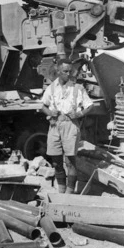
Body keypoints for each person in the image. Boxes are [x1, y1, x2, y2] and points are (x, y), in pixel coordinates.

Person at [41, 58, 94, 194]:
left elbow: (90, 105)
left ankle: (69, 194)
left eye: (70, 71)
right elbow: (43, 106)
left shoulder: (77, 88)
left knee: (70, 162)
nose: (68, 74)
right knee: (56, 161)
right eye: (65, 71)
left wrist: (79, 114)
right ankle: (61, 191)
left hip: (70, 126)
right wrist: (49, 112)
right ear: (58, 71)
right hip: (54, 126)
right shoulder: (51, 87)